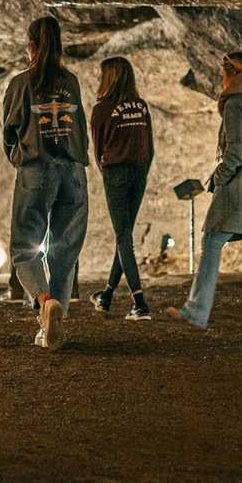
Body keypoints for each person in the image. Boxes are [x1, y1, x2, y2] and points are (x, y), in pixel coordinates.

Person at [169, 52, 242, 336]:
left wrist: (218, 178)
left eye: (221, 74)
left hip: (240, 193)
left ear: (230, 74)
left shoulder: (236, 104)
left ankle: (197, 310)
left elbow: (235, 152)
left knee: (211, 241)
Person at [2, 15, 90, 350]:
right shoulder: (72, 82)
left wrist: (18, 157)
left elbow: (8, 133)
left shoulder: (20, 84)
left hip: (36, 172)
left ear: (31, 47)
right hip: (72, 173)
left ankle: (44, 302)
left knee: (24, 249)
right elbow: (80, 126)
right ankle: (56, 321)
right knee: (65, 250)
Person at [90, 56, 155, 321]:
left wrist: (106, 170)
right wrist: (143, 170)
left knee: (123, 236)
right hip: (139, 170)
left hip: (116, 172)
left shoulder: (102, 109)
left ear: (110, 77)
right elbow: (149, 146)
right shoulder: (140, 107)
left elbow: (97, 149)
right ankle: (106, 294)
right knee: (125, 234)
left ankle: (139, 302)